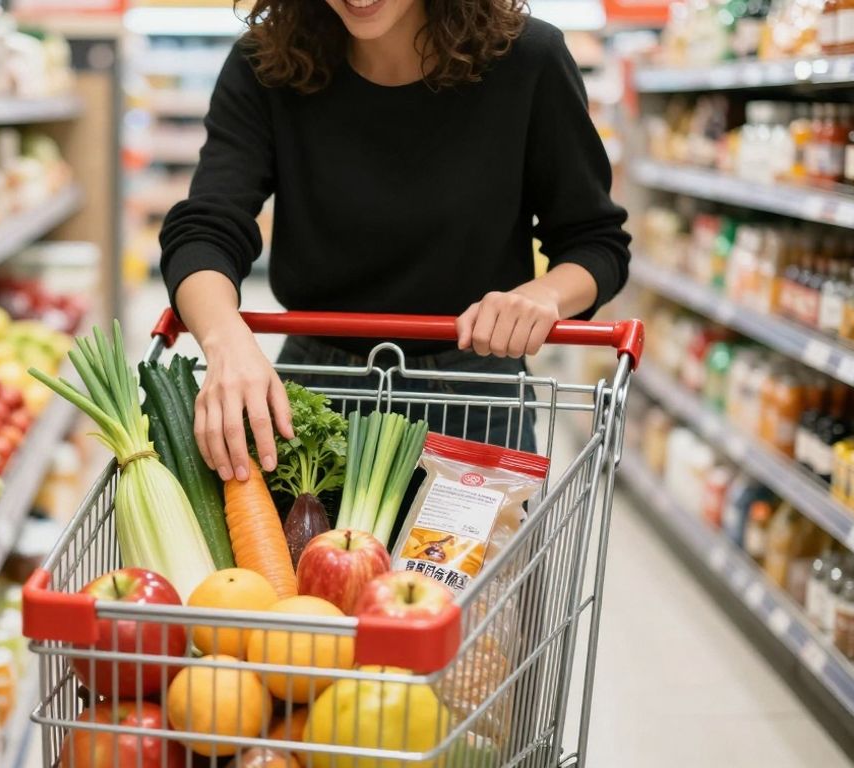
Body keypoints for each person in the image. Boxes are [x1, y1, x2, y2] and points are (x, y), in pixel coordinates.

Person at [159, 0, 630, 481]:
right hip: (318, 393)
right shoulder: (267, 62)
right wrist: (226, 341)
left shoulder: (528, 59)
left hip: (475, 393)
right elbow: (207, 227)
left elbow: (594, 241)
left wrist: (542, 295)